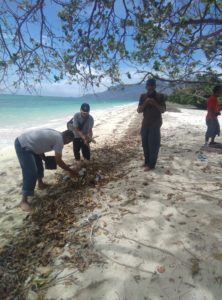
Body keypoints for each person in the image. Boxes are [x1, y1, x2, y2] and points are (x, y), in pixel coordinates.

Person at [15, 129, 76, 211]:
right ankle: (24, 200)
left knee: (39, 164)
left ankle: (41, 184)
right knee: (31, 171)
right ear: (67, 139)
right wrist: (71, 170)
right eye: (68, 142)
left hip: (29, 143)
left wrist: (45, 159)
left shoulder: (57, 134)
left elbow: (39, 146)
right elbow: (59, 161)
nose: (66, 144)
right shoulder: (59, 140)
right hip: (23, 145)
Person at [137, 78, 166, 171]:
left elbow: (163, 110)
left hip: (155, 124)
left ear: (155, 86)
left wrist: (155, 104)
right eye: (148, 85)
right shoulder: (143, 96)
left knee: (153, 145)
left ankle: (152, 165)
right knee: (145, 144)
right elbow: (139, 110)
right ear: (146, 86)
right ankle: (146, 162)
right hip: (145, 124)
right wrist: (145, 103)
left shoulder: (160, 96)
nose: (150, 87)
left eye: (152, 85)